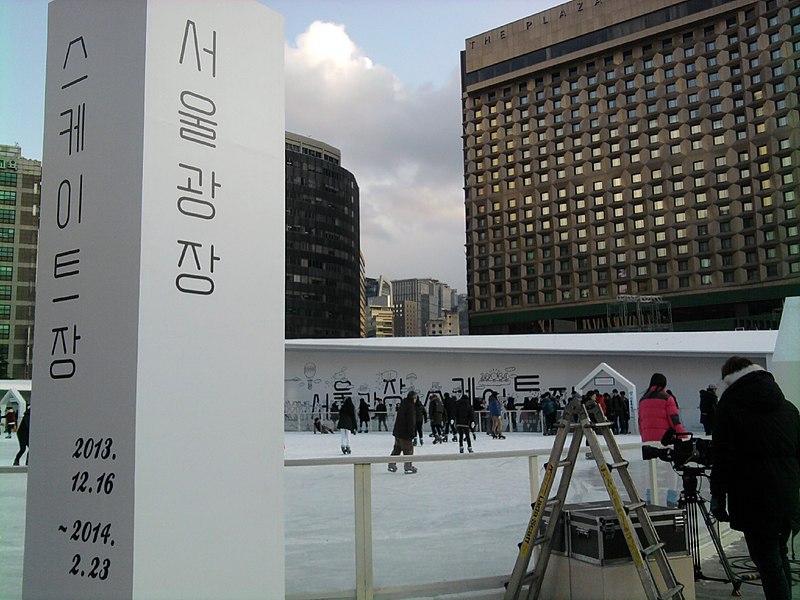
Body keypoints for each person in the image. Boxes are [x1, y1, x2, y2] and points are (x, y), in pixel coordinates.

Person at [710, 356, 800, 600]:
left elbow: (723, 458)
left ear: (729, 380)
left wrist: (717, 495)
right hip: (787, 498)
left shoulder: (729, 409)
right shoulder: (789, 408)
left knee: (769, 564)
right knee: (779, 557)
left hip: (754, 499)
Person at [638, 373, 686, 443]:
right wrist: (683, 436)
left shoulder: (643, 400)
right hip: (665, 439)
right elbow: (674, 420)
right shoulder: (667, 398)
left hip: (647, 439)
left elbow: (640, 421)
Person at [389, 391, 418, 474]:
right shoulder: (411, 406)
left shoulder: (403, 404)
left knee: (397, 449)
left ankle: (391, 464)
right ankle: (408, 467)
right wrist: (412, 434)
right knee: (408, 450)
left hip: (398, 432)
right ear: (413, 398)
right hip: (405, 433)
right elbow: (411, 421)